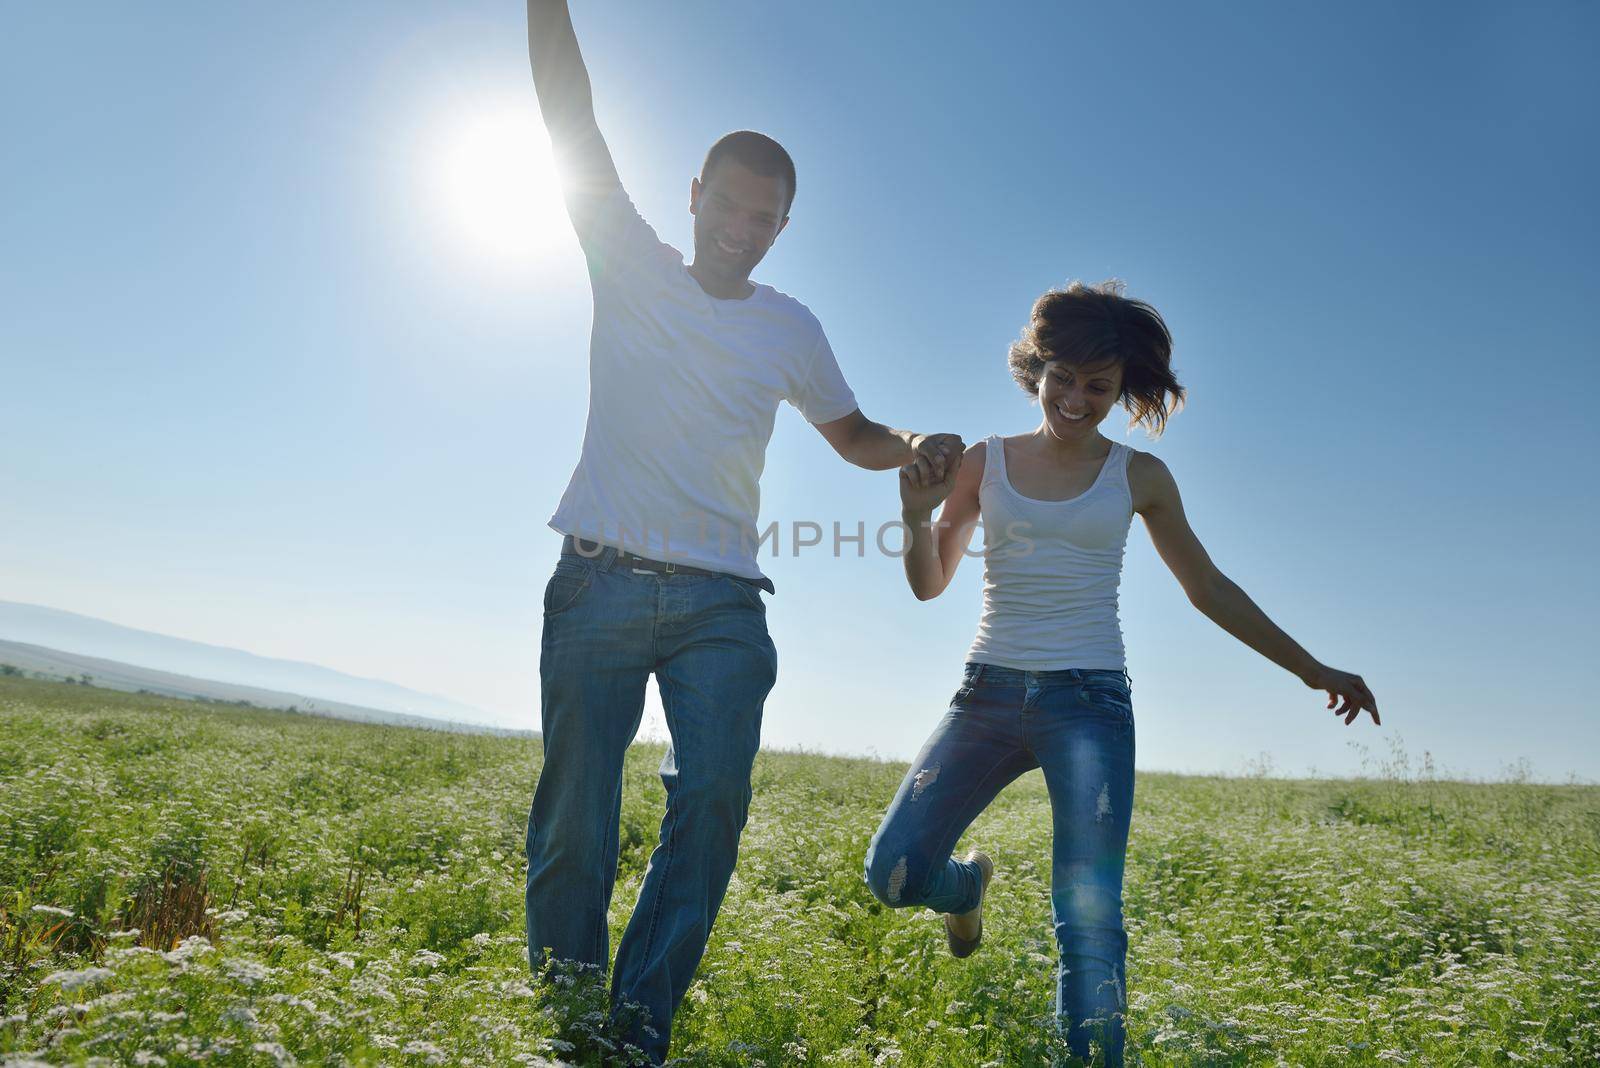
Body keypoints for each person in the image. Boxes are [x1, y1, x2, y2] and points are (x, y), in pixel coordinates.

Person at [522, 3, 963, 1061]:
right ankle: (574, 1023)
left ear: (779, 227)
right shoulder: (626, 259)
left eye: (763, 217)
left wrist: (910, 444)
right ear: (695, 198)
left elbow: (851, 431)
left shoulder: (790, 327)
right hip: (599, 583)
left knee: (711, 803)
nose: (741, 226)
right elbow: (567, 119)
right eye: (727, 205)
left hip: (722, 601)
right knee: (575, 824)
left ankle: (636, 1031)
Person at [863, 281, 1379, 1065]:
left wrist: (1312, 669)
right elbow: (931, 582)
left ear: (1120, 390)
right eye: (1062, 377)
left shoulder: (1140, 477)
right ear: (1036, 370)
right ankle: (965, 892)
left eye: (1097, 387)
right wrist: (912, 518)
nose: (1076, 398)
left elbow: (1207, 588)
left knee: (1090, 920)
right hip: (988, 692)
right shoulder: (982, 463)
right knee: (894, 874)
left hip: (1090, 704)